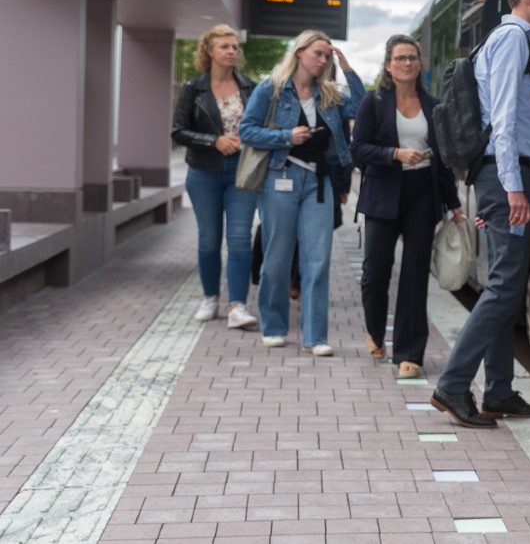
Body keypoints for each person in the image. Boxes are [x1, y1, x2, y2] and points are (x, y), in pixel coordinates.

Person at [430, 0, 530, 428]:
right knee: (507, 284)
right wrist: (511, 188)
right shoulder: (511, 41)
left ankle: (500, 391)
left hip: (502, 176)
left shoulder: (512, 41)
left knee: (505, 283)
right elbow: (503, 121)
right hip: (506, 177)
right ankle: (452, 384)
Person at [239, 30, 364, 355]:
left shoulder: (330, 94)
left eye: (327, 56)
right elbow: (246, 130)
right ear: (299, 52)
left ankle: (315, 337)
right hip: (280, 177)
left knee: (318, 260)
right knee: (277, 257)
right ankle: (274, 325)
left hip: (319, 183)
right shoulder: (272, 89)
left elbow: (365, 110)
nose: (323, 60)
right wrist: (285, 136)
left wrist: (347, 69)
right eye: (317, 54)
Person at [351, 34, 463, 379]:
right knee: (374, 274)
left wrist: (454, 203)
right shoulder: (373, 102)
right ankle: (373, 328)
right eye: (400, 58)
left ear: (420, 65)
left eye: (412, 58)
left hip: (422, 195)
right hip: (383, 193)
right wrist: (393, 154)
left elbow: (443, 158)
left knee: (415, 277)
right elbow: (358, 149)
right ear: (388, 65)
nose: (407, 63)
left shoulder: (433, 106)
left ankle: (409, 353)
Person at [171, 24, 260, 328]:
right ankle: (210, 298)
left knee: (239, 239)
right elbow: (178, 131)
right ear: (208, 50)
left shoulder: (250, 87)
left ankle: (237, 306)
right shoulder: (192, 88)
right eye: (224, 46)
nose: (231, 51)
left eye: (235, 46)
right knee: (209, 239)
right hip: (203, 172)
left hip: (242, 171)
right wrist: (214, 141)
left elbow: (262, 126)